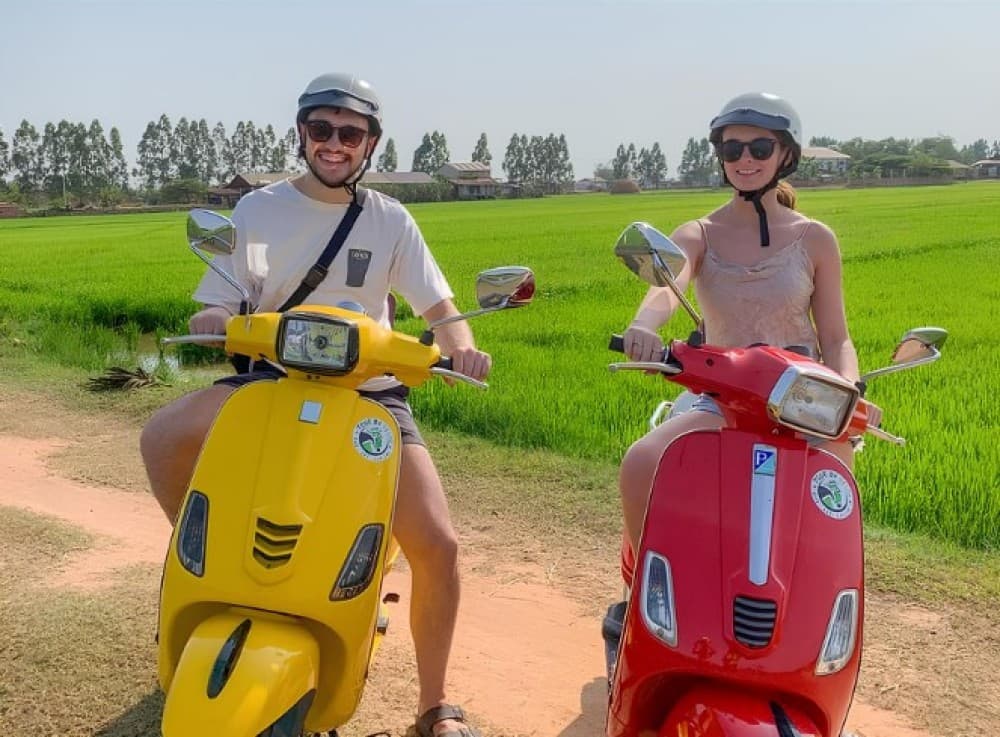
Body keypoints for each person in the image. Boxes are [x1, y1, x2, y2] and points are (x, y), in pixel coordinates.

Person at [140, 72, 486, 737]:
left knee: (438, 544)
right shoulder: (259, 211)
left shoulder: (390, 220)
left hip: (370, 394)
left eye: (348, 133)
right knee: (162, 436)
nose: (333, 143)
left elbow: (439, 307)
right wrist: (216, 313)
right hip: (269, 380)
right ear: (301, 133)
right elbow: (232, 288)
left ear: (370, 143)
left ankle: (435, 703)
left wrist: (460, 346)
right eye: (321, 129)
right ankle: (207, 557)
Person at [618, 91, 876, 553]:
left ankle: (825, 611)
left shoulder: (815, 239)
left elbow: (836, 337)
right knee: (642, 462)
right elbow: (666, 285)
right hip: (722, 398)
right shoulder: (699, 233)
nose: (745, 159)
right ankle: (643, 587)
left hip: (802, 402)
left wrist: (849, 387)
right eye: (732, 149)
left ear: (785, 155)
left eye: (759, 148)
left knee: (833, 494)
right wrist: (644, 325)